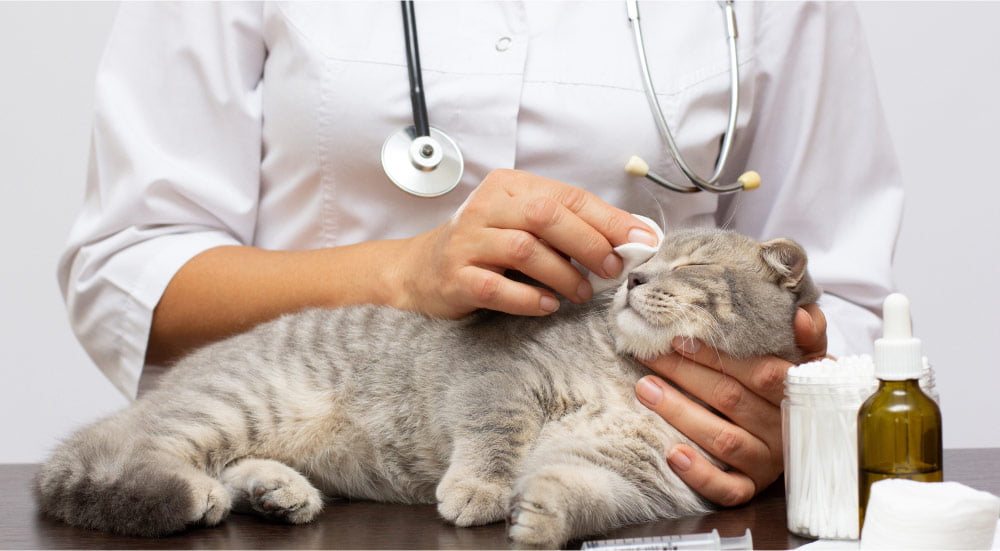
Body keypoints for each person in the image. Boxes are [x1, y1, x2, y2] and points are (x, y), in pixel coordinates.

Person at [58, 2, 901, 509]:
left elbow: (843, 298)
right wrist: (401, 274)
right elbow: (127, 274)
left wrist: (791, 419)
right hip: (317, 484)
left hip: (645, 488)